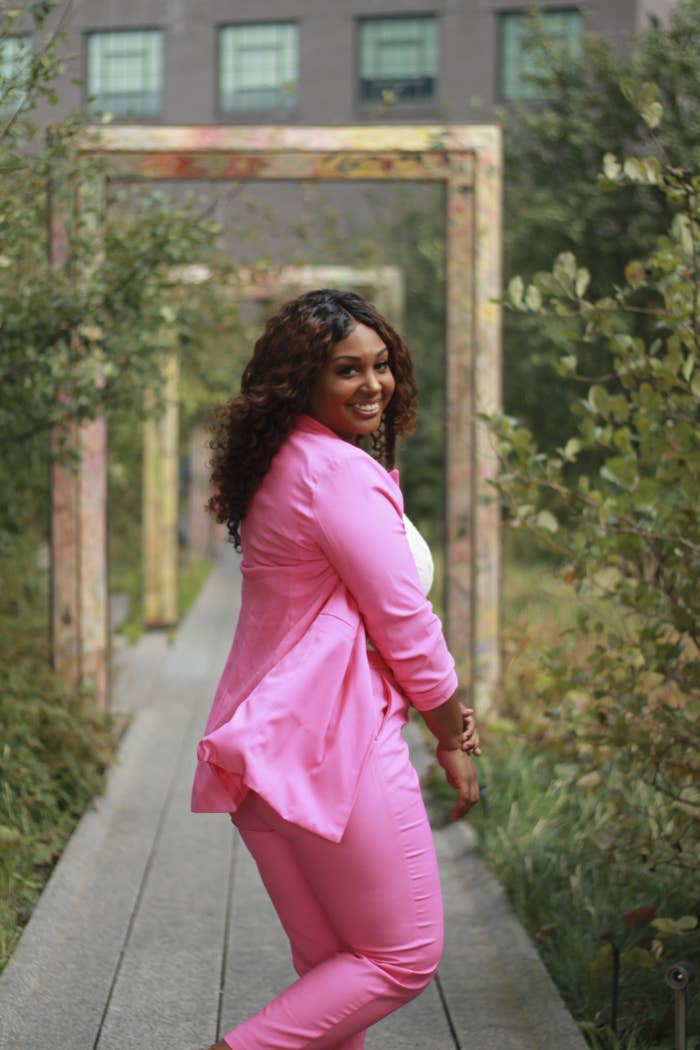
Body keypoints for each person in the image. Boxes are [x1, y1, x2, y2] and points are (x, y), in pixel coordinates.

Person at [190, 288, 481, 1050]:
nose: (374, 385)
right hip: (334, 749)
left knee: (331, 972)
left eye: (381, 365)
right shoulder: (335, 475)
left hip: (264, 749)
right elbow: (404, 623)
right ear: (303, 381)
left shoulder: (280, 462)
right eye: (348, 370)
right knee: (401, 956)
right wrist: (452, 733)